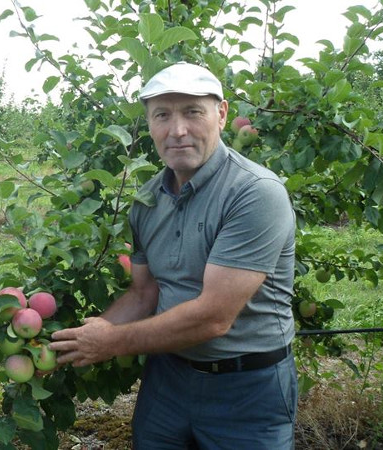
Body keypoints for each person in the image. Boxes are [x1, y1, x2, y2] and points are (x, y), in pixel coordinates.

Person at [50, 62, 298, 449]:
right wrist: (78, 342)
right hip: (167, 379)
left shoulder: (254, 193)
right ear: (149, 125)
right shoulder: (147, 200)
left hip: (246, 386)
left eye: (192, 112)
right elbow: (143, 294)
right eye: (162, 115)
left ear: (221, 114)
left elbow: (214, 317)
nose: (177, 130)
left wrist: (111, 341)